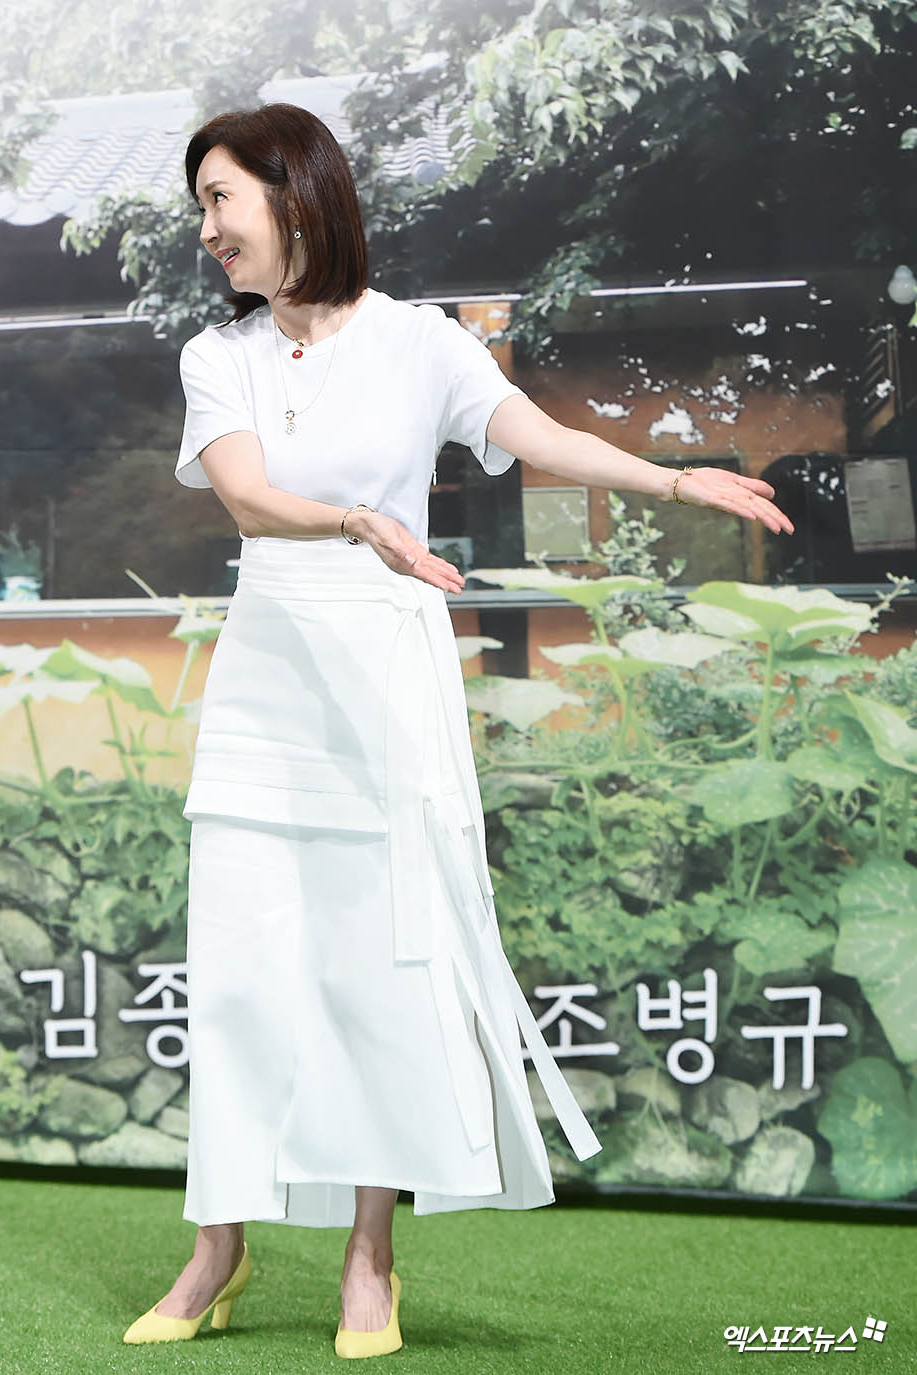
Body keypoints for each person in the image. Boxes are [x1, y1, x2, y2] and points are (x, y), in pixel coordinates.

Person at [123, 102, 794, 1359]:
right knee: (241, 970)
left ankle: (370, 1259)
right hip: (271, 674)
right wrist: (355, 522)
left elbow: (535, 435)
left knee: (386, 959)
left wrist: (669, 477)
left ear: (296, 193)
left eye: (221, 198)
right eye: (200, 204)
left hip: (387, 669)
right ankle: (217, 1244)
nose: (206, 227)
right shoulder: (220, 356)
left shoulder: (421, 342)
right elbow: (250, 498)